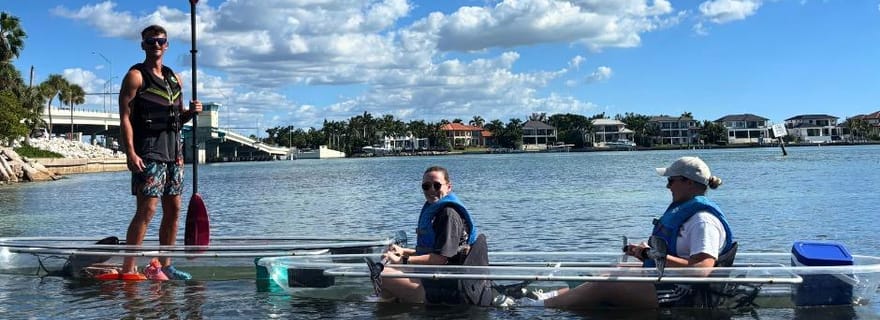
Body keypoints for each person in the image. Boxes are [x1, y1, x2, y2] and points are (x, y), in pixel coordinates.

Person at [520, 156, 735, 309]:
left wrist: (649, 255)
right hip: (672, 281)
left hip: (684, 293)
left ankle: (536, 308)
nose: (667, 186)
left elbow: (700, 270)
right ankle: (545, 298)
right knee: (616, 268)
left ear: (688, 183)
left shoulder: (702, 221)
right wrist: (643, 253)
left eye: (671, 180)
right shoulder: (689, 215)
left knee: (607, 285)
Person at [117, 24, 202, 281]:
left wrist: (190, 113)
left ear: (167, 45)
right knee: (148, 209)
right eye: (151, 41)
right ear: (143, 45)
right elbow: (124, 117)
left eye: (160, 41)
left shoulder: (174, 78)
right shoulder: (136, 76)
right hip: (148, 151)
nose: (156, 44)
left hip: (174, 153)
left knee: (174, 208)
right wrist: (130, 152)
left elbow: (175, 120)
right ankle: (128, 268)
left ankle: (165, 265)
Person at [379, 166, 493, 306]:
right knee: (386, 266)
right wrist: (403, 251)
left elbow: (440, 259)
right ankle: (391, 302)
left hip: (449, 285)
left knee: (380, 273)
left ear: (448, 187)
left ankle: (393, 305)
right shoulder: (437, 212)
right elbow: (434, 251)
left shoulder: (448, 215)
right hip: (437, 275)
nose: (431, 190)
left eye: (437, 185)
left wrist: (402, 260)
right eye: (426, 186)